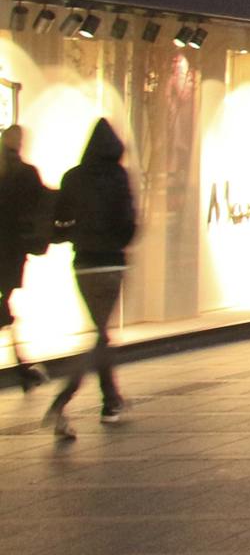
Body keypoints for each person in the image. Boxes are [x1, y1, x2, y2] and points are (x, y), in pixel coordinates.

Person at [44, 119, 137, 441]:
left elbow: (58, 220)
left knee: (101, 335)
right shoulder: (118, 176)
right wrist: (119, 242)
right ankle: (63, 400)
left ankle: (111, 402)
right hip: (111, 264)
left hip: (83, 263)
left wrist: (75, 233)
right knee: (100, 338)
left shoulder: (73, 177)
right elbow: (128, 221)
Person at [0, 126, 51, 390]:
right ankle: (22, 367)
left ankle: (23, 366)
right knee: (4, 303)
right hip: (11, 252)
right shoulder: (26, 174)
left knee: (4, 305)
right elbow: (41, 205)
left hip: (7, 251)